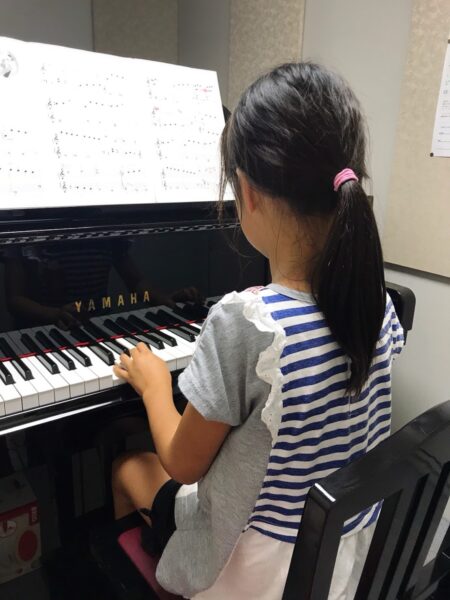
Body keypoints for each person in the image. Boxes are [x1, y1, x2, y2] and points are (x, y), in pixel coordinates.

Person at [111, 62, 404, 599]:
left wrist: (154, 386)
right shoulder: (378, 305)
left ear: (247, 192)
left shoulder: (247, 323)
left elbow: (183, 464)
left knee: (130, 466)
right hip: (336, 561)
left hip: (251, 574)